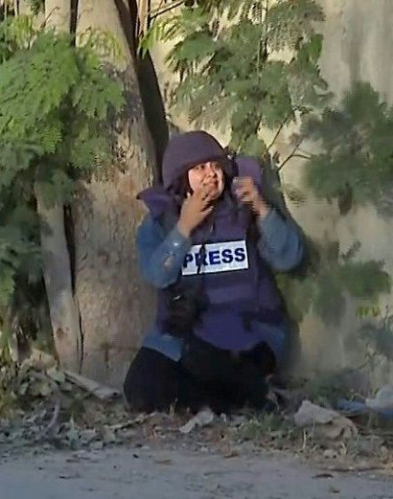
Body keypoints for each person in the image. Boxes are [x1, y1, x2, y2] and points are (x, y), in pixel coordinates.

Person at [123, 131, 304, 415]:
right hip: (190, 337)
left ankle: (246, 396)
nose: (211, 174)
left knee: (208, 363)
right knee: (141, 386)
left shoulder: (243, 207)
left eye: (215, 165)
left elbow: (289, 257)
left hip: (251, 334)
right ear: (181, 177)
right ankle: (233, 402)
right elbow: (156, 275)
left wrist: (260, 208)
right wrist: (184, 227)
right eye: (199, 168)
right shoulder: (161, 220)